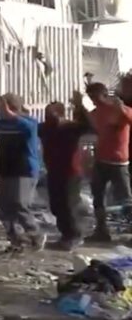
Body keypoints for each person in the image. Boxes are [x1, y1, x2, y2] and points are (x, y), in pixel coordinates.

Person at [0, 91, 46, 251]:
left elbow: (24, 125)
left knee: (20, 205)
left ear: (11, 107)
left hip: (24, 170)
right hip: (7, 170)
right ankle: (17, 240)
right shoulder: (3, 123)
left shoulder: (28, 123)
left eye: (1, 106)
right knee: (5, 209)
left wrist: (7, 112)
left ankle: (36, 234)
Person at [39, 92, 91, 250]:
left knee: (69, 205)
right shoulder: (45, 128)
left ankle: (74, 236)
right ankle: (66, 235)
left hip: (70, 173)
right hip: (53, 171)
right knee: (56, 205)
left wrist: (80, 106)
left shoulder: (71, 128)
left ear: (59, 114)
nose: (48, 116)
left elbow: (89, 126)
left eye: (51, 113)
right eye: (47, 113)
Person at [84, 82, 132, 241]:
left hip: (119, 161)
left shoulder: (120, 110)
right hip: (101, 160)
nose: (94, 101)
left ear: (104, 95)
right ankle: (101, 230)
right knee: (98, 196)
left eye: (95, 97)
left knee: (125, 199)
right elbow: (92, 125)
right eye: (91, 98)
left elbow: (129, 118)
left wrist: (121, 108)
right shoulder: (97, 112)